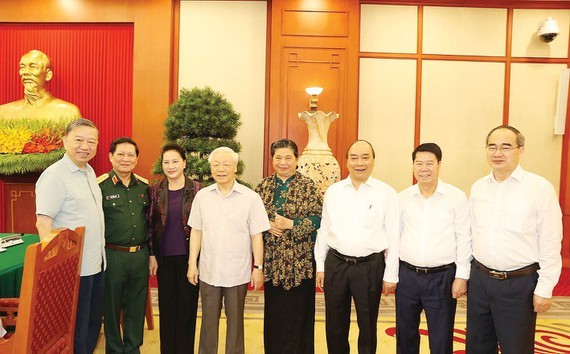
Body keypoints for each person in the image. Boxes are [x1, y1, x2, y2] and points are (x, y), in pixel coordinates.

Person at [466, 125, 562, 354]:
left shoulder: (539, 189)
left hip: (518, 284)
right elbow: (470, 234)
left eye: (506, 147)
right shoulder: (479, 187)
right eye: (492, 147)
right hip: (480, 281)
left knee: (516, 348)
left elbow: (550, 240)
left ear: (521, 150)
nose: (498, 153)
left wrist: (545, 287)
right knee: (478, 346)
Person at [315, 139, 399, 354]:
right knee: (334, 323)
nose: (359, 163)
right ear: (346, 162)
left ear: (373, 161)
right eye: (354, 158)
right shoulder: (334, 191)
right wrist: (321, 266)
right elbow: (324, 229)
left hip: (369, 266)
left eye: (365, 157)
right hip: (336, 264)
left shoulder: (386, 192)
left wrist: (391, 274)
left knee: (367, 323)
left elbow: (393, 235)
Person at [187, 146, 270, 354]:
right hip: (208, 271)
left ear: (235, 168)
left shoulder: (250, 198)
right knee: (207, 323)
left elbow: (256, 235)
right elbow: (196, 231)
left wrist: (258, 267)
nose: (220, 169)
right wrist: (192, 264)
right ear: (211, 169)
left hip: (237, 273)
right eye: (216, 165)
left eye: (226, 164)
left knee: (235, 324)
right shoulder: (202, 196)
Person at [35, 118, 105, 354]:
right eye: (79, 140)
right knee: (75, 331)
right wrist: (54, 268)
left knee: (92, 325)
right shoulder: (54, 176)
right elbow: (43, 223)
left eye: (91, 142)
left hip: (96, 264)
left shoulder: (88, 171)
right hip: (73, 269)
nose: (85, 146)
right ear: (64, 140)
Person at [396, 143, 471, 354]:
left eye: (429, 163)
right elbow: (394, 238)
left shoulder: (456, 197)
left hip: (442, 277)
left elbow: (465, 238)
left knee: (440, 337)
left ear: (439, 165)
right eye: (419, 163)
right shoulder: (402, 198)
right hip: (407, 276)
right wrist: (391, 273)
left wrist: (462, 276)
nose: (424, 168)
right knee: (405, 334)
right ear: (413, 166)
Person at [254, 139, 323, 354]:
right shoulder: (263, 186)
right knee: (275, 315)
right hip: (273, 262)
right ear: (272, 159)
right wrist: (267, 226)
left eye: (288, 157)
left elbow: (320, 220)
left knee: (300, 314)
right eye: (278, 157)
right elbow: (251, 220)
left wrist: (291, 224)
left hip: (301, 263)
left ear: (296, 159)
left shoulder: (309, 186)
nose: (283, 162)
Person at [148, 143, 201, 353]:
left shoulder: (197, 189)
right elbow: (150, 223)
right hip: (165, 258)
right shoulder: (156, 190)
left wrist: (195, 261)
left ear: (184, 163)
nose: (171, 166)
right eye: (166, 162)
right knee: (167, 307)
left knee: (187, 307)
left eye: (175, 161)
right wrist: (152, 254)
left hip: (190, 258)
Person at [98, 137, 149, 353]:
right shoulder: (99, 186)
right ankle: (114, 349)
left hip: (139, 255)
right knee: (111, 306)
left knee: (136, 306)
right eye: (120, 154)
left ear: (136, 159)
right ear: (110, 157)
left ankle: (132, 348)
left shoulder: (145, 186)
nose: (125, 159)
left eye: (131, 155)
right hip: (112, 255)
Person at [0, 50, 81, 120]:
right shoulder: (3, 112)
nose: (25, 72)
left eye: (33, 67)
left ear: (48, 74)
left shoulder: (68, 112)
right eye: (22, 67)